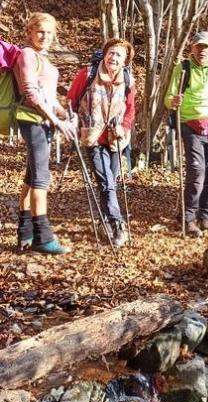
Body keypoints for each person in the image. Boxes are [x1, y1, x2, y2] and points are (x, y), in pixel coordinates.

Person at [14, 12, 76, 254]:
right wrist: (55, 120)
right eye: (40, 31)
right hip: (32, 120)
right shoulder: (27, 54)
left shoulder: (43, 58)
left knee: (31, 177)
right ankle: (43, 236)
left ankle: (25, 232)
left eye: (49, 33)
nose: (45, 36)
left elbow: (48, 98)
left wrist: (62, 113)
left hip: (44, 120)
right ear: (29, 31)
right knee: (41, 177)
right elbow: (31, 94)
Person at [68, 38, 136, 248]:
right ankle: (118, 225)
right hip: (92, 136)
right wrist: (71, 122)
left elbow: (131, 110)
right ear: (105, 54)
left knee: (110, 183)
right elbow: (71, 100)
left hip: (116, 138)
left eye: (119, 55)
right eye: (111, 53)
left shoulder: (127, 79)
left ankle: (105, 219)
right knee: (106, 181)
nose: (114, 57)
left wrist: (124, 127)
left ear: (125, 60)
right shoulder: (87, 74)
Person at [164, 31, 208, 238]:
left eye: (206, 47)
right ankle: (188, 219)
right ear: (192, 48)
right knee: (196, 172)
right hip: (190, 125)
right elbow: (168, 97)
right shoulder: (182, 68)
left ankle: (205, 217)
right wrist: (173, 101)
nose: (202, 51)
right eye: (198, 46)